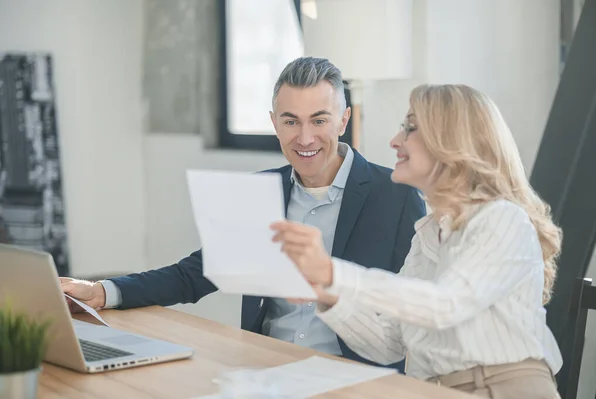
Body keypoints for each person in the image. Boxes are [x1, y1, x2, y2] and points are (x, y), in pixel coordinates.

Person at [60, 57, 426, 368]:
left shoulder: (395, 195)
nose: (304, 137)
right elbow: (194, 274)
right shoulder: (260, 191)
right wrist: (103, 291)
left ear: (343, 120)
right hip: (265, 368)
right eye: (290, 121)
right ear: (274, 123)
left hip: (353, 376)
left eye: (319, 120)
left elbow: (412, 308)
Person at [271, 84, 563, 398]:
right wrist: (327, 294)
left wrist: (333, 272)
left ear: (451, 141)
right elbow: (389, 344)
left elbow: (445, 305)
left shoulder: (501, 219)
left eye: (410, 128)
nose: (395, 141)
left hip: (498, 389)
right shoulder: (428, 236)